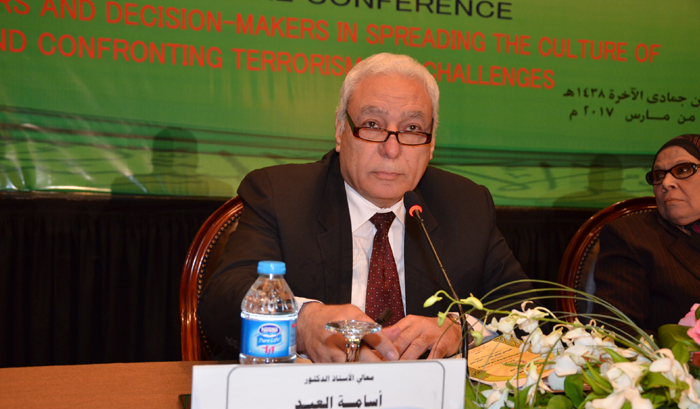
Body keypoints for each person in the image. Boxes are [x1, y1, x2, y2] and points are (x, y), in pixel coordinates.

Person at [199, 53, 531, 363]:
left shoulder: (466, 205)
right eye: (372, 124)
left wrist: (460, 330)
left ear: (431, 145)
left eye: (412, 129)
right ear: (340, 131)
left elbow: (525, 313)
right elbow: (222, 301)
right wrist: (303, 323)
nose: (392, 149)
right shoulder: (281, 196)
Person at [594, 134, 700, 333]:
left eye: (683, 170)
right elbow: (616, 332)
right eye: (658, 175)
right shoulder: (629, 236)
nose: (666, 183)